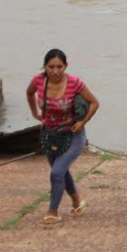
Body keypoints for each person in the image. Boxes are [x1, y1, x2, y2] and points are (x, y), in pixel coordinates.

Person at [26, 49, 100, 226]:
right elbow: (29, 93)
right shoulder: (38, 80)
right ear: (45, 66)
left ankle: (52, 212)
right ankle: (77, 202)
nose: (55, 71)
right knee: (61, 172)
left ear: (66, 66)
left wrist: (83, 122)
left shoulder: (75, 83)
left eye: (60, 66)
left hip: (73, 134)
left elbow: (94, 103)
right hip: (50, 135)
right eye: (51, 67)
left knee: (57, 172)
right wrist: (35, 113)